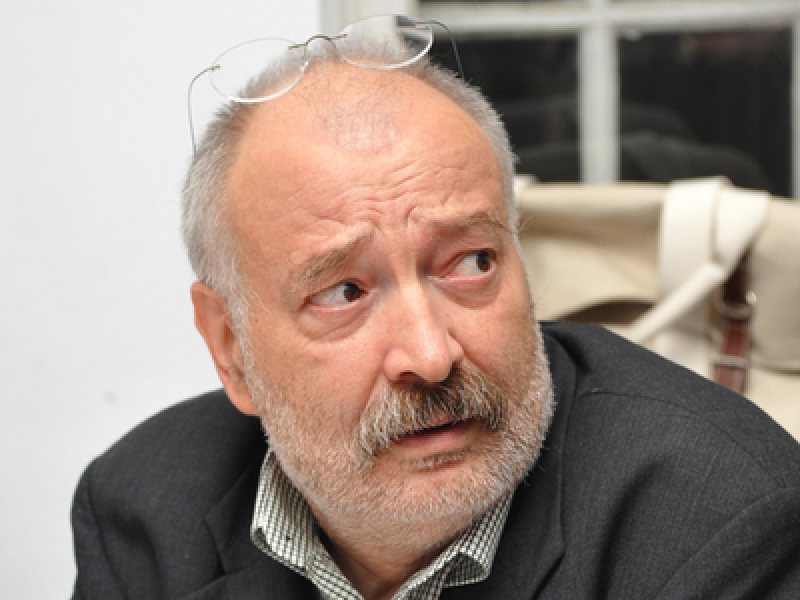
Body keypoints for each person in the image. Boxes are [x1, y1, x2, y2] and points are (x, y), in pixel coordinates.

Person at [71, 16, 800, 600]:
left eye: (471, 263)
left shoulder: (722, 518)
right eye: (345, 292)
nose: (429, 354)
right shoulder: (143, 509)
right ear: (230, 347)